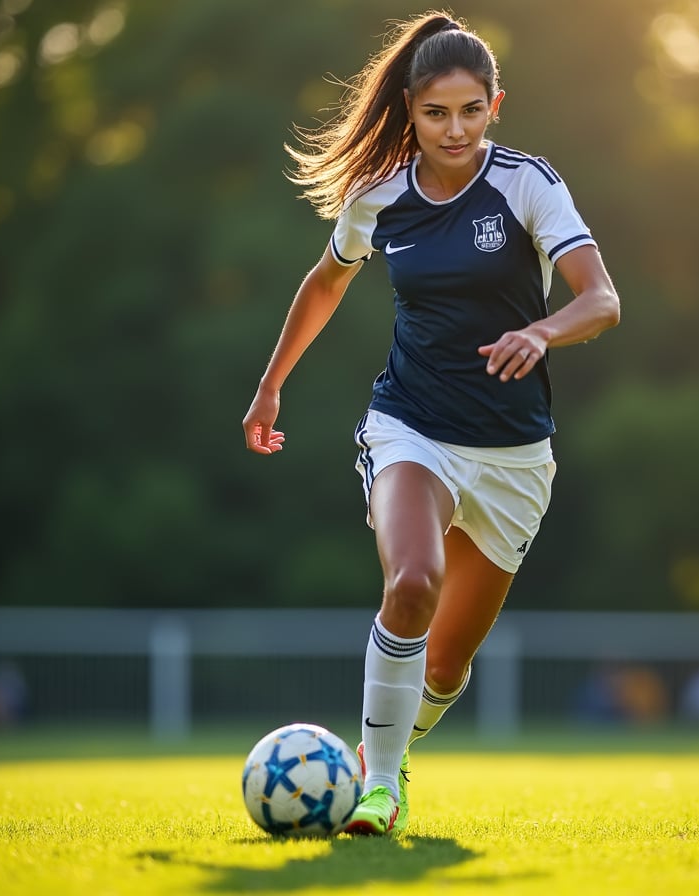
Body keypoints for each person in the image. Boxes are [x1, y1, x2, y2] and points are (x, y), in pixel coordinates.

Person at [242, 11, 620, 835]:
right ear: (409, 111)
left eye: (471, 111)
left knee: (445, 663)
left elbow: (601, 300)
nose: (454, 129)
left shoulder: (527, 182)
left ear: (496, 105)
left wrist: (541, 330)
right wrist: (272, 385)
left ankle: (387, 752)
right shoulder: (379, 197)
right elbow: (325, 283)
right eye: (435, 112)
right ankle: (378, 790)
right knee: (411, 583)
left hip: (517, 455)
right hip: (409, 426)